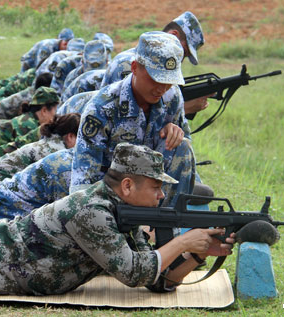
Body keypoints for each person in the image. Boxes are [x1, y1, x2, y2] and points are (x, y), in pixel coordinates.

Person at [0, 142, 234, 295]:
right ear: (127, 185)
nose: (161, 196)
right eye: (157, 187)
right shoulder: (91, 210)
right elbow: (131, 273)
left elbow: (154, 278)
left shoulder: (122, 213)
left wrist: (197, 254)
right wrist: (182, 241)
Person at [71, 31, 194, 211]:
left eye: (169, 81)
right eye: (156, 78)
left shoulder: (172, 97)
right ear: (135, 68)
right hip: (111, 193)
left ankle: (166, 221)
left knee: (182, 146)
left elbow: (184, 154)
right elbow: (83, 180)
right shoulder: (101, 108)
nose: (162, 88)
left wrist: (174, 133)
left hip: (150, 188)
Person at [100, 11, 210, 115]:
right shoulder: (126, 65)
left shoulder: (165, 74)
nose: (180, 60)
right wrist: (183, 109)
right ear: (174, 36)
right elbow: (125, 121)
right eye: (184, 52)